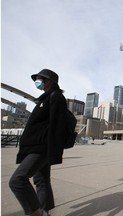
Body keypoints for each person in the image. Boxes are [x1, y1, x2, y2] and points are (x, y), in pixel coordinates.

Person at [9, 69, 67, 216]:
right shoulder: (44, 99)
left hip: (41, 147)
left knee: (17, 180)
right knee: (41, 181)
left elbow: (58, 125)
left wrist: (53, 149)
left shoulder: (56, 97)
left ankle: (37, 213)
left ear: (50, 81)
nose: (38, 81)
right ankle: (44, 210)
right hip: (36, 146)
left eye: (41, 79)